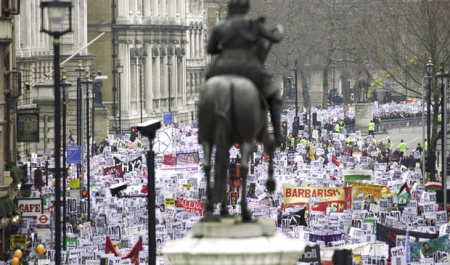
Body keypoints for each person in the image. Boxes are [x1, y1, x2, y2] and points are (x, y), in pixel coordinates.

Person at [205, 0, 284, 145]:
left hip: (222, 67)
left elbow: (210, 50)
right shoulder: (254, 25)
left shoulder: (219, 27)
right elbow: (275, 38)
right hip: (248, 67)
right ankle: (277, 136)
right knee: (274, 97)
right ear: (247, 8)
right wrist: (279, 30)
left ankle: (205, 128)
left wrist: (226, 49)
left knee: (206, 89)